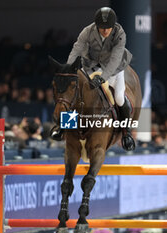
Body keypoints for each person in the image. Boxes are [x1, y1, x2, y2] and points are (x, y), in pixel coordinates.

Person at [51, 7, 135, 150]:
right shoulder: (87, 31)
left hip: (114, 68)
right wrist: (69, 67)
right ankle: (63, 128)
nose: (105, 31)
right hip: (92, 65)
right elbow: (77, 48)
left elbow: (114, 60)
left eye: (108, 28)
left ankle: (126, 133)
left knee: (119, 97)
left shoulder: (120, 34)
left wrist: (103, 78)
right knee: (75, 93)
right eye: (102, 28)